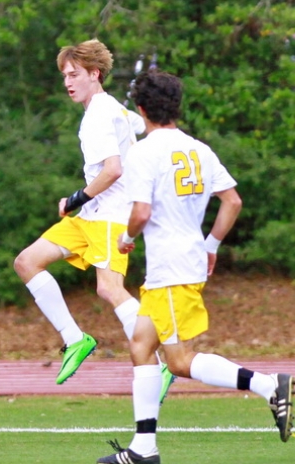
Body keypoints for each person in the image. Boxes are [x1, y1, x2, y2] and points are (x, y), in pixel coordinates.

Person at [97, 70, 295, 464]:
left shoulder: (143, 152)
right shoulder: (198, 149)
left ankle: (268, 385)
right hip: (178, 266)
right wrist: (212, 244)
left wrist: (127, 238)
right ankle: (144, 447)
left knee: (180, 362)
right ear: (175, 107)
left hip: (171, 270)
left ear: (141, 110)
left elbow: (141, 212)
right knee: (140, 346)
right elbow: (232, 201)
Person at [14, 39, 175, 394]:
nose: (67, 81)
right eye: (64, 75)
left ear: (94, 74)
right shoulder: (110, 108)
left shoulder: (99, 115)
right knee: (27, 262)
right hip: (92, 214)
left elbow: (113, 170)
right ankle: (75, 340)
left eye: (75, 74)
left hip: (111, 215)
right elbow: (140, 125)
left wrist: (74, 198)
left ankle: (160, 364)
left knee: (109, 288)